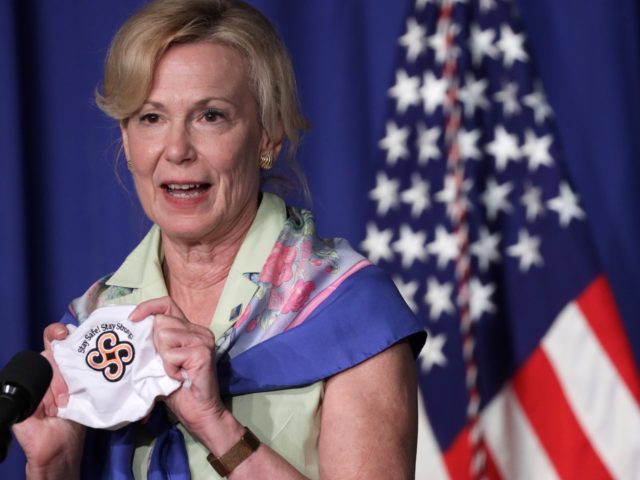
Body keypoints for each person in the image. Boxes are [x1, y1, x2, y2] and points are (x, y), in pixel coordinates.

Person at [13, 0, 426, 478]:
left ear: (268, 136)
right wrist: (54, 466)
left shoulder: (349, 312)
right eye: (151, 118)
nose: (177, 150)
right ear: (126, 140)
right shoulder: (93, 324)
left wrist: (215, 426)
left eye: (211, 115)